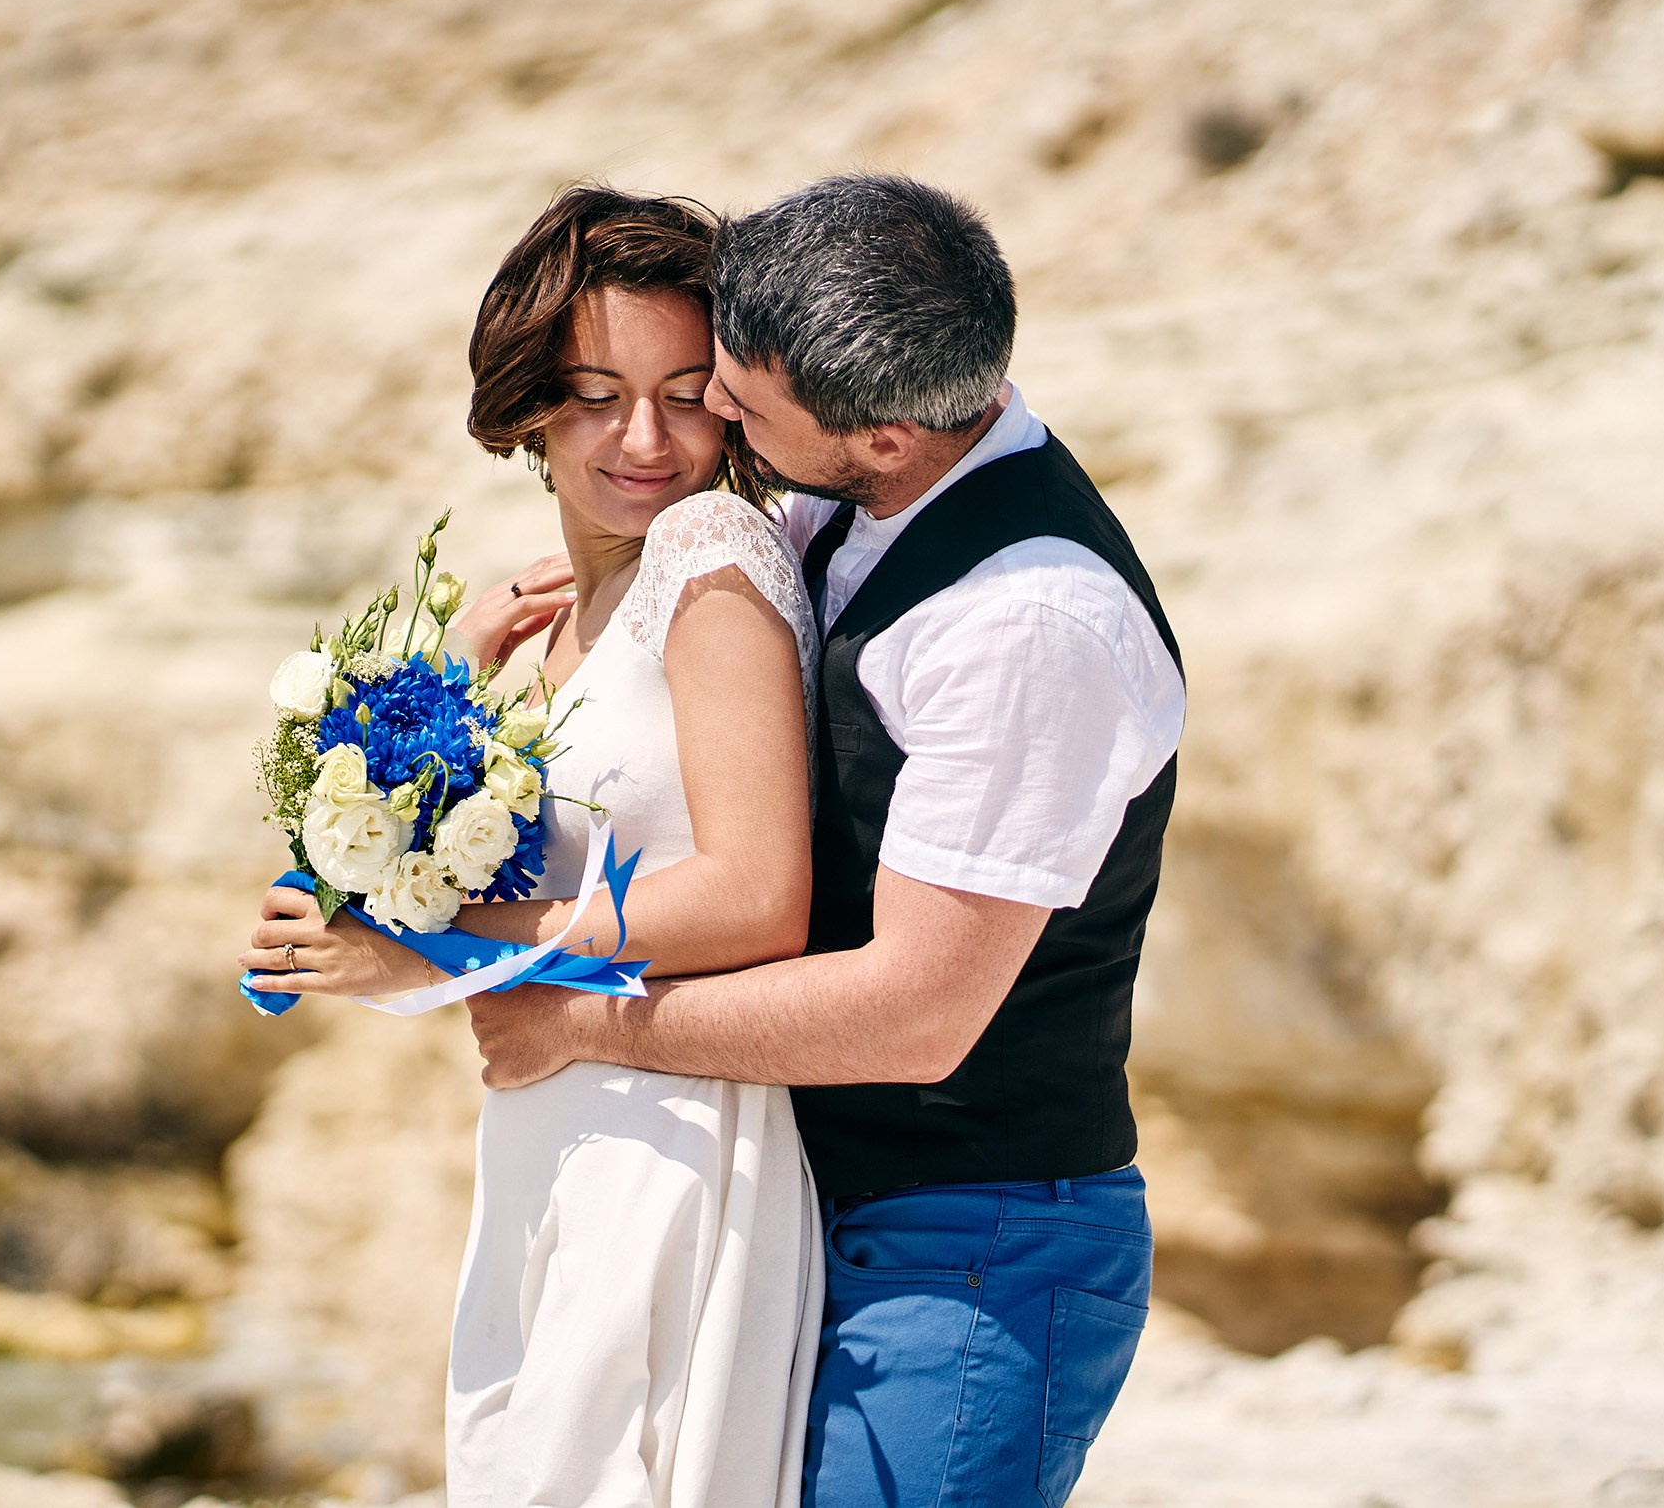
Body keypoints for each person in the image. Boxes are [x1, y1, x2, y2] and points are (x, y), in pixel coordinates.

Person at [467, 173, 1188, 1508]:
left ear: (888, 439)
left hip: (969, 1253)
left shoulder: (1026, 628)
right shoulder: (833, 503)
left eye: (733, 399)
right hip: (798, 1208)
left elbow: (914, 1015)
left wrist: (577, 1019)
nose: (709, 422)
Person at [240, 186, 827, 1508]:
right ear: (527, 406)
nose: (646, 437)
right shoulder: (567, 616)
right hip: (556, 1129)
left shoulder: (712, 553)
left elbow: (757, 894)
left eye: (688, 392)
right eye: (597, 391)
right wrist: (452, 684)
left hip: (670, 1139)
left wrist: (427, 955)